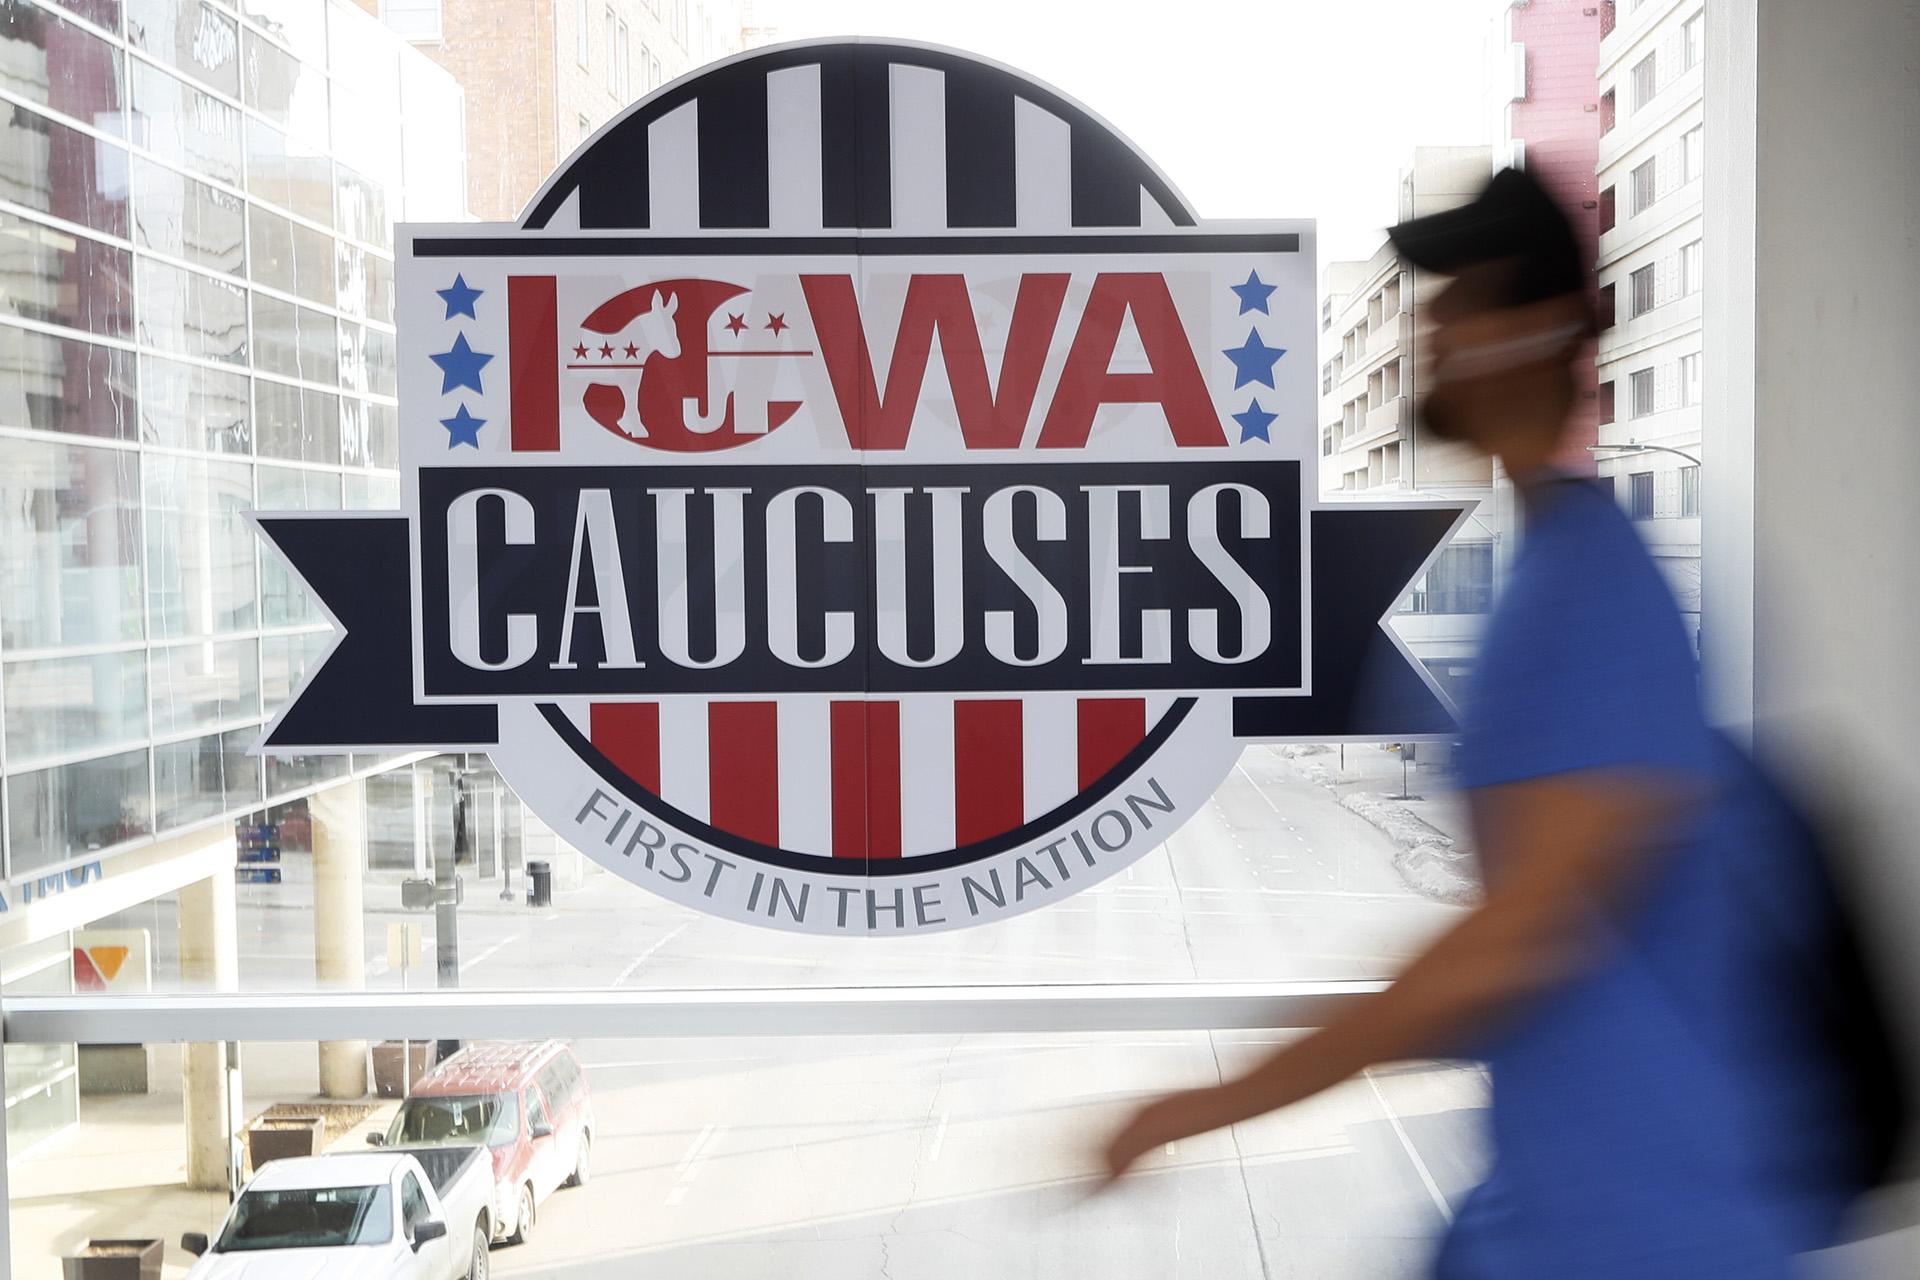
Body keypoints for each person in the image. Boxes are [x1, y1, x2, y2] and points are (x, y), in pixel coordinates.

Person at [1098, 168, 1859, 1276]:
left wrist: (1212, 1099)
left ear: (1540, 330)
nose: (1428, 330)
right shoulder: (1552, 570)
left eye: (1458, 301)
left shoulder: (1592, 589)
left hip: (1658, 1235)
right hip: (1563, 1219)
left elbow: (1523, 937)